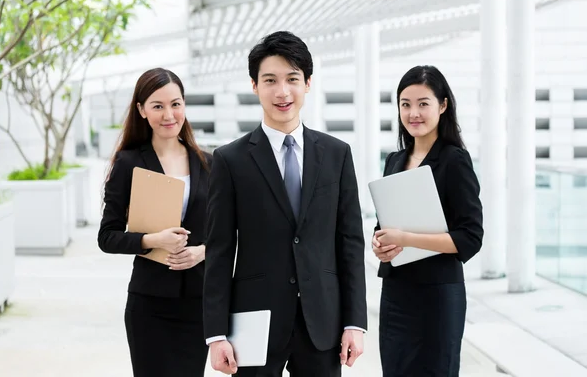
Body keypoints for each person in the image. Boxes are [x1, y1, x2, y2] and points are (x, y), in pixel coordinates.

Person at [203, 31, 368, 377]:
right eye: (270, 80)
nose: (282, 92)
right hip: (254, 324)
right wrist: (216, 334)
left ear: (307, 83)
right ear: (254, 86)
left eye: (292, 79)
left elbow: (350, 242)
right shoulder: (230, 160)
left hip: (322, 322)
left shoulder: (337, 154)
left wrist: (355, 322)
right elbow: (220, 250)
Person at [98, 68, 212, 377]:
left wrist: (202, 251)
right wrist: (152, 240)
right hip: (150, 306)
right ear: (141, 110)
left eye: (175, 104)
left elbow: (229, 232)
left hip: (198, 305)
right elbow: (107, 237)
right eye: (157, 106)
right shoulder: (129, 163)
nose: (168, 114)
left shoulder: (208, 162)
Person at [372, 65, 483, 376]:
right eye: (405, 104)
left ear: (443, 106)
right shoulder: (395, 160)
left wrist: (406, 239)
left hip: (437, 297)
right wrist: (380, 242)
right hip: (397, 294)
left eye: (423, 104)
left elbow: (470, 237)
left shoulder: (454, 161)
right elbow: (385, 222)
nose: (413, 113)